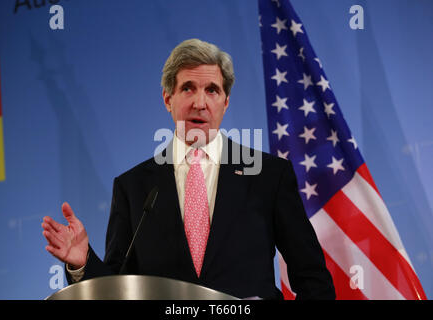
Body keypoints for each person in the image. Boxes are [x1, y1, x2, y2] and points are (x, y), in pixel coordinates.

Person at [41, 39, 335, 300]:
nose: (200, 102)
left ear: (225, 101)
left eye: (212, 90)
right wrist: (82, 263)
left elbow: (313, 279)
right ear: (168, 99)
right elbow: (116, 291)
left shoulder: (268, 175)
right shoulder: (133, 188)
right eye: (188, 89)